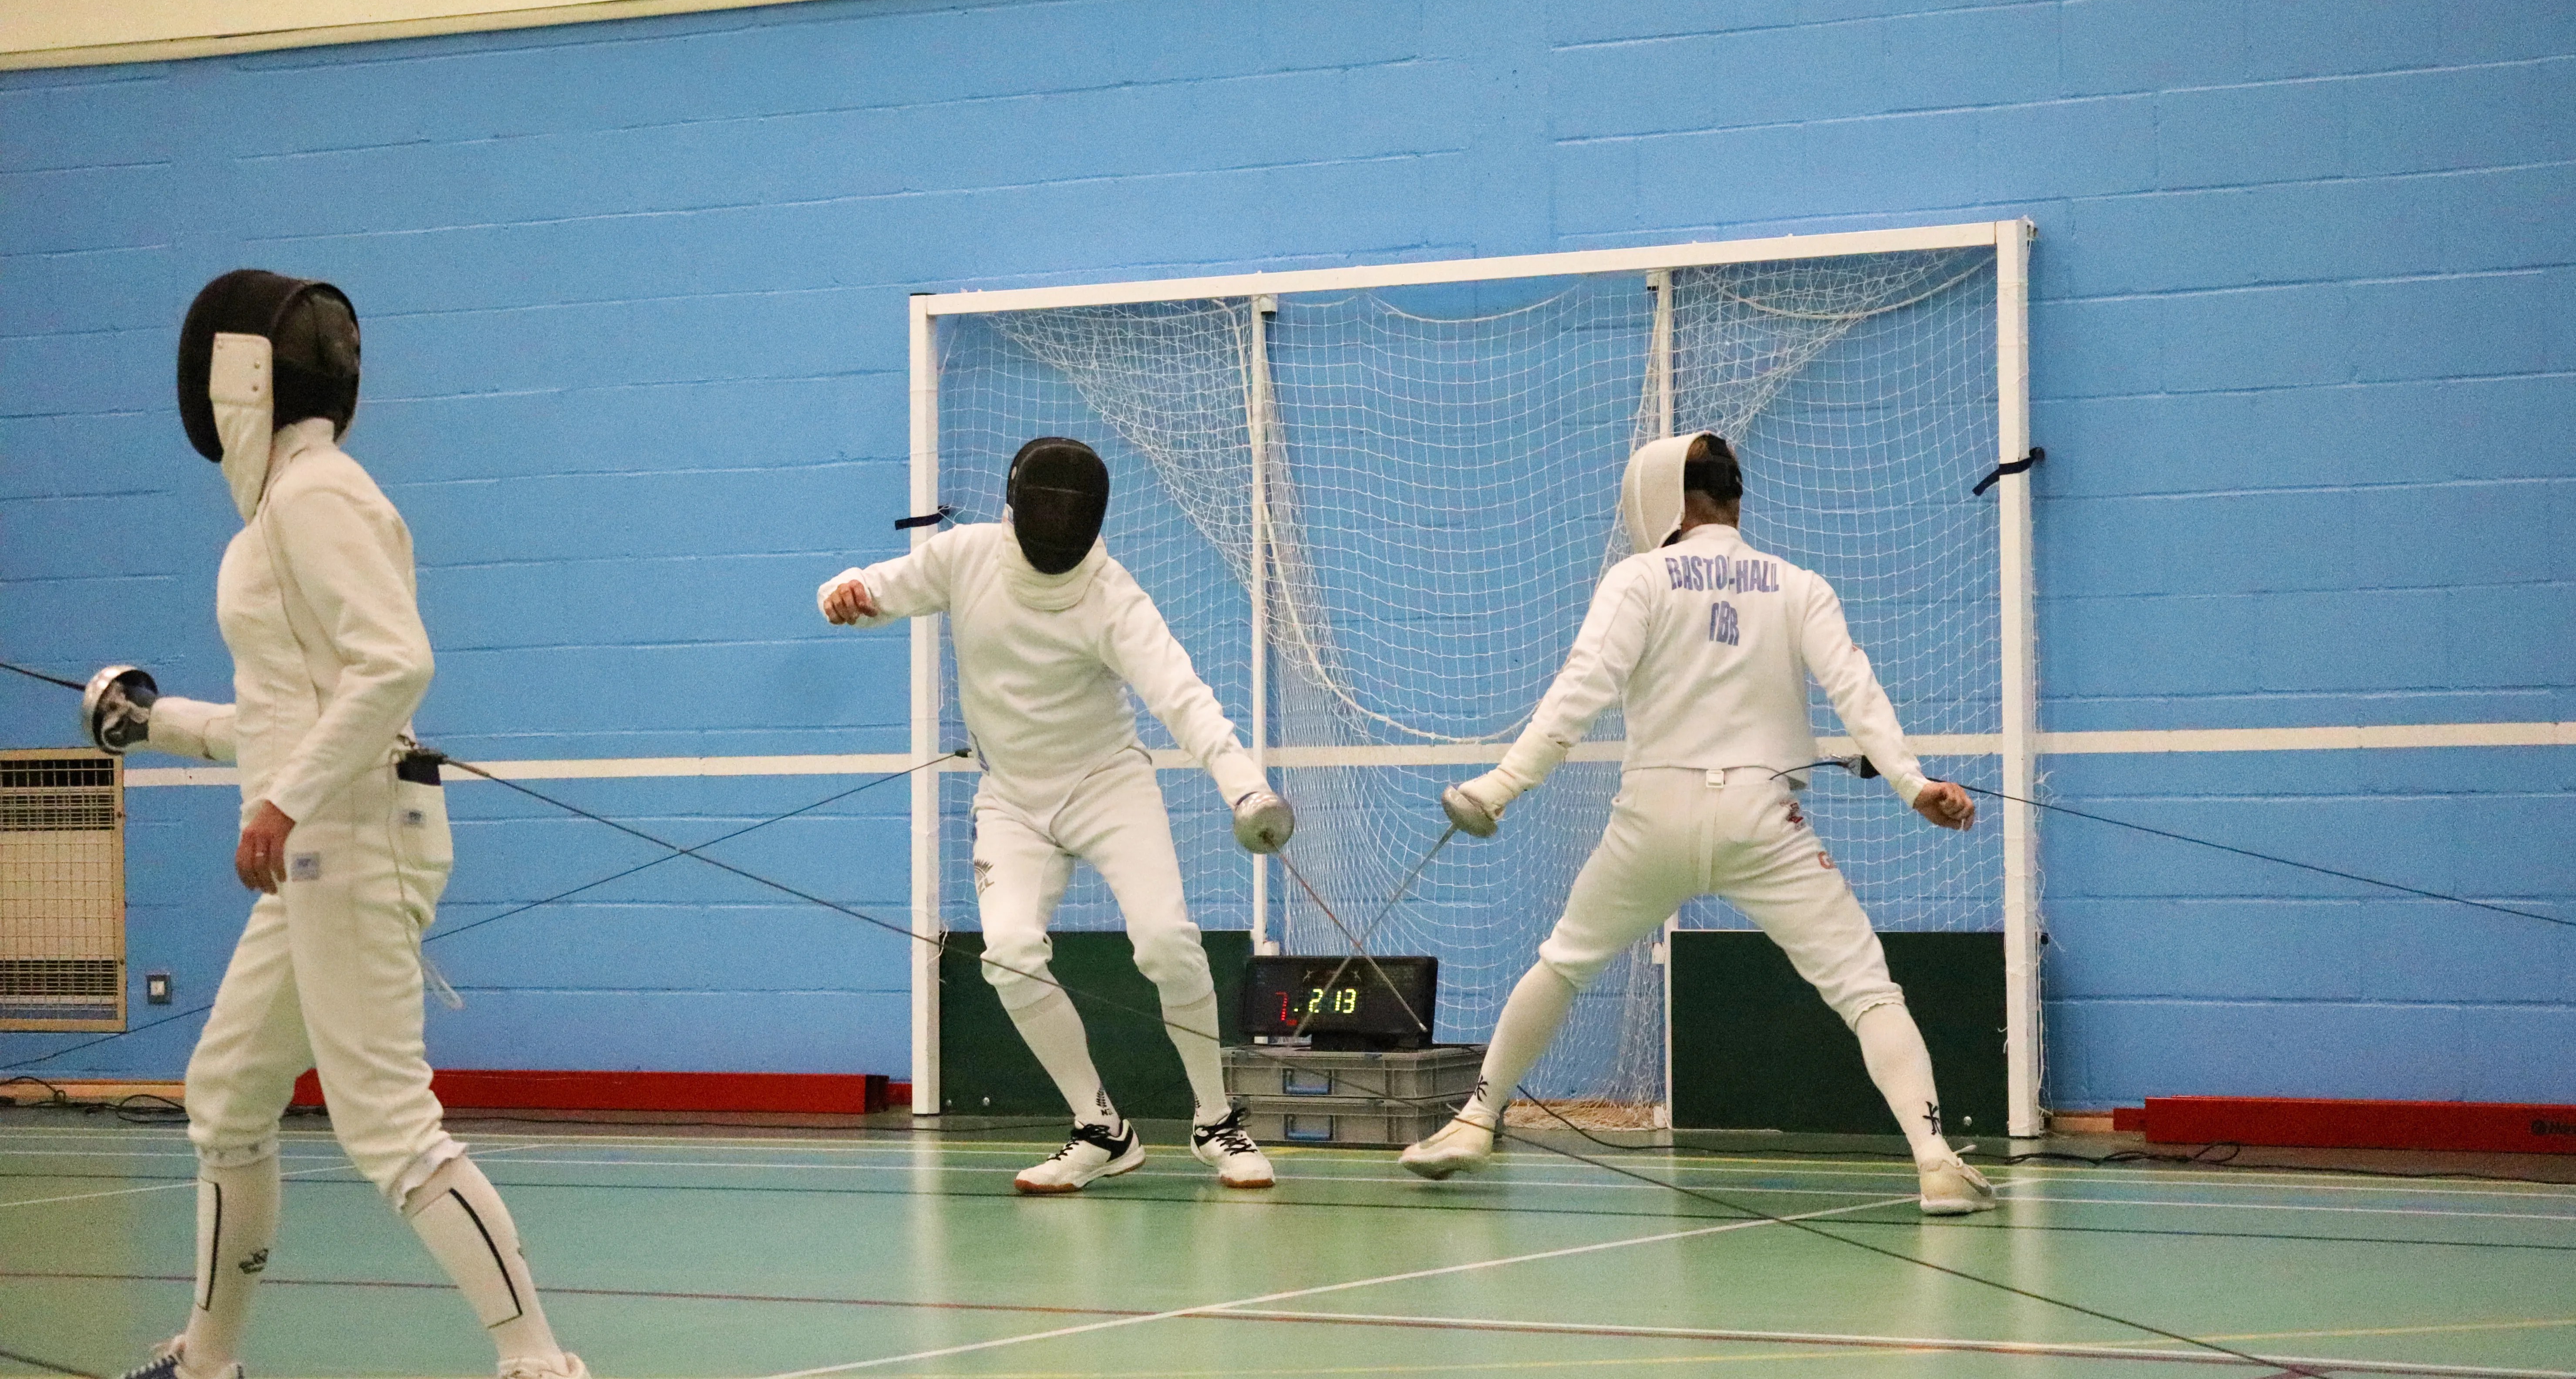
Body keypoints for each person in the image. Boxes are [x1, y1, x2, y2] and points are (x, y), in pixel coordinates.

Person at [83, 271, 590, 1379]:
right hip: (326, 838)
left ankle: (540, 1365)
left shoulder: (315, 496)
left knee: (390, 1129)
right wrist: (149, 721)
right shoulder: (290, 505)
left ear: (242, 378)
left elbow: (395, 663)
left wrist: (282, 802)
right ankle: (207, 1365)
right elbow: (288, 716)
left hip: (348, 837)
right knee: (225, 1098)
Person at [1397, 432, 1999, 1216]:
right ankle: (1937, 1164)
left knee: (1565, 963)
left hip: (1652, 819)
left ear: (1665, 499)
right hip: (1765, 821)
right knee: (1867, 993)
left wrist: (1501, 787)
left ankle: (1477, 1120)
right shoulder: (1798, 584)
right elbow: (1856, 689)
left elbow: (1581, 691)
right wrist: (1913, 785)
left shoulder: (1640, 578)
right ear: (1735, 497)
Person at [818, 437, 1293, 1193]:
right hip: (1010, 797)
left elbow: (1184, 698)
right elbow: (877, 588)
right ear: (1015, 507)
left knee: (1168, 943)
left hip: (1109, 787)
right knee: (1008, 954)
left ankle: (1215, 1122)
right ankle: (1102, 1130)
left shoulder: (1110, 594)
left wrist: (1245, 790)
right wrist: (842, 592)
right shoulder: (965, 556)